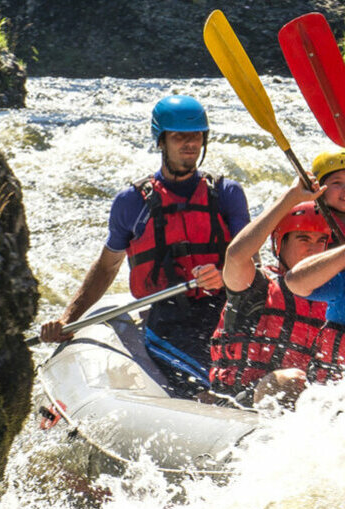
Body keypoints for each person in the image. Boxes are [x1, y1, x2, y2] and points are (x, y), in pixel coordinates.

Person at [40, 95, 249, 386]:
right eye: (179, 136)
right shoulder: (131, 202)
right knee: (210, 384)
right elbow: (107, 267)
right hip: (169, 320)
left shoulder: (227, 194)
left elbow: (251, 264)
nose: (190, 144)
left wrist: (226, 276)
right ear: (161, 141)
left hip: (225, 312)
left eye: (196, 136)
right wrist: (68, 318)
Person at [211, 186, 345, 400]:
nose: (314, 249)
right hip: (236, 400)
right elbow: (235, 256)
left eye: (321, 241)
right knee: (292, 380)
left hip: (301, 406)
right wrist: (289, 199)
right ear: (279, 243)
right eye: (303, 239)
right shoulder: (256, 287)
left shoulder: (334, 293)